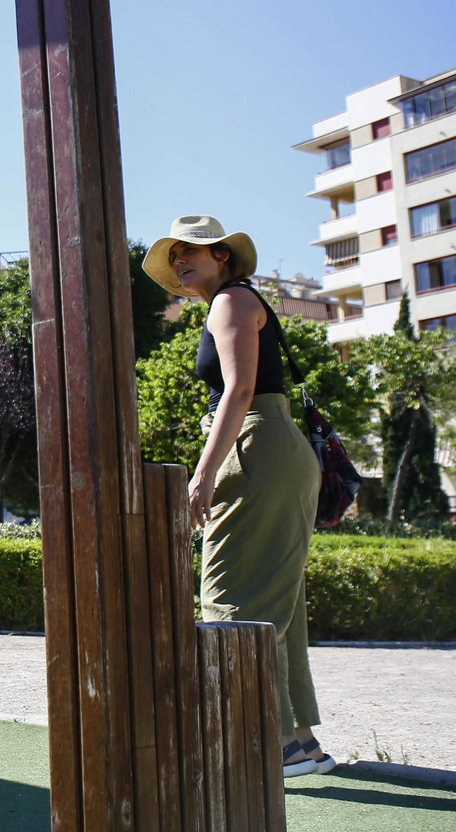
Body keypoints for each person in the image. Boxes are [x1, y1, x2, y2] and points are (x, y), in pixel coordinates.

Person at [141, 215, 335, 779]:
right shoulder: (235, 302)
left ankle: (269, 745)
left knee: (229, 602)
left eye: (191, 250)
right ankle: (300, 744)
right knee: (276, 606)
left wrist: (202, 475)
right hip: (271, 449)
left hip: (258, 448)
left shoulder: (230, 302)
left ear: (222, 255)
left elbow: (240, 390)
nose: (180, 260)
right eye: (174, 255)